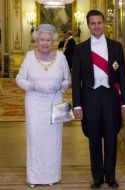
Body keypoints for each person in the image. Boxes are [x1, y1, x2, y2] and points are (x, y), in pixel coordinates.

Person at [72, 10, 125, 189]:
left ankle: (110, 176)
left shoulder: (116, 47)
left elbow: (122, 76)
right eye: (93, 23)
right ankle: (97, 176)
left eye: (99, 22)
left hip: (111, 96)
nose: (96, 26)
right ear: (88, 26)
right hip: (90, 96)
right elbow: (76, 80)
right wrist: (77, 105)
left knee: (111, 137)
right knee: (94, 138)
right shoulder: (80, 49)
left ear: (104, 24)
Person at [16, 24, 71, 187]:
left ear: (53, 40)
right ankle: (34, 177)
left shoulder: (61, 57)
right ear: (36, 40)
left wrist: (59, 86)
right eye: (41, 40)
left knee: (54, 140)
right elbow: (19, 79)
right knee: (35, 139)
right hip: (34, 103)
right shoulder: (29, 56)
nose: (45, 43)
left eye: (48, 40)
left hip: (56, 102)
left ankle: (52, 176)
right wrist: (33, 86)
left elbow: (68, 79)